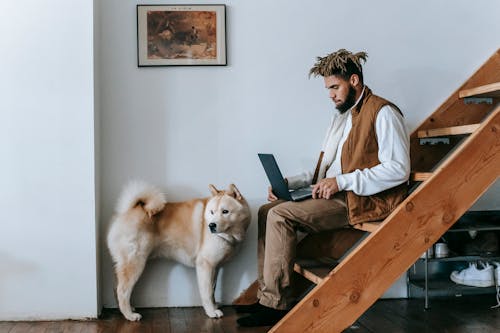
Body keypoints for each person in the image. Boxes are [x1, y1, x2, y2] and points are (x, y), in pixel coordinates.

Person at [236, 49, 411, 327]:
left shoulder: (384, 112)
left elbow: (399, 170)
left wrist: (341, 181)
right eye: (327, 88)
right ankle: (267, 296)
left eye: (334, 87)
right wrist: (289, 184)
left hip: (361, 199)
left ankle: (277, 304)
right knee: (267, 210)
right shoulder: (342, 117)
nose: (330, 94)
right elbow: (327, 168)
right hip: (338, 193)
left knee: (280, 216)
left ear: (354, 80)